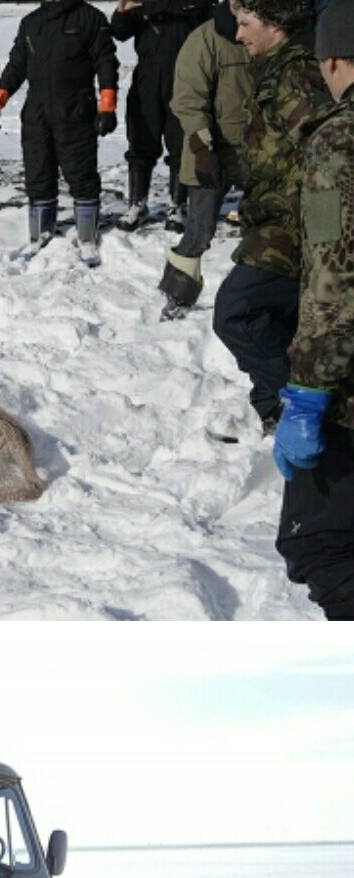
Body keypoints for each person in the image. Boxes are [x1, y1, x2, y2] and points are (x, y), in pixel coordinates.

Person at [210, 0, 334, 438]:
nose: (239, 34)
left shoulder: (293, 75)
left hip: (293, 226)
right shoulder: (273, 70)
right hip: (273, 221)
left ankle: (297, 407)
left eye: (246, 24)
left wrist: (320, 224)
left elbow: (329, 145)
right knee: (282, 322)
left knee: (236, 312)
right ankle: (280, 408)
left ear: (275, 24)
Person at [273, 0, 354, 619]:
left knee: (321, 546)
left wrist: (308, 391)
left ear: (332, 59)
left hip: (348, 395)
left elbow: (334, 278)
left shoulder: (339, 140)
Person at [0, 0, 119, 266]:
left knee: (81, 172)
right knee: (38, 171)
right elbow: (16, 65)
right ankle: (40, 233)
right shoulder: (32, 22)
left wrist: (107, 106)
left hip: (76, 109)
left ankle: (86, 238)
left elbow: (106, 63)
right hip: (37, 112)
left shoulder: (90, 18)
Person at [157, 1, 252, 319]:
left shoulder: (262, 35)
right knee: (198, 232)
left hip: (255, 152)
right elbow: (187, 100)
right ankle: (177, 296)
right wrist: (202, 150)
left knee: (264, 231)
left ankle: (259, 297)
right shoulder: (204, 40)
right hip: (209, 154)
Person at [110, 0, 211, 232]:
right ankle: (137, 203)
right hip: (148, 78)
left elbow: (212, 30)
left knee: (180, 144)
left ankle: (177, 206)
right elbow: (119, 33)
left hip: (185, 79)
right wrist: (122, 12)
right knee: (141, 141)